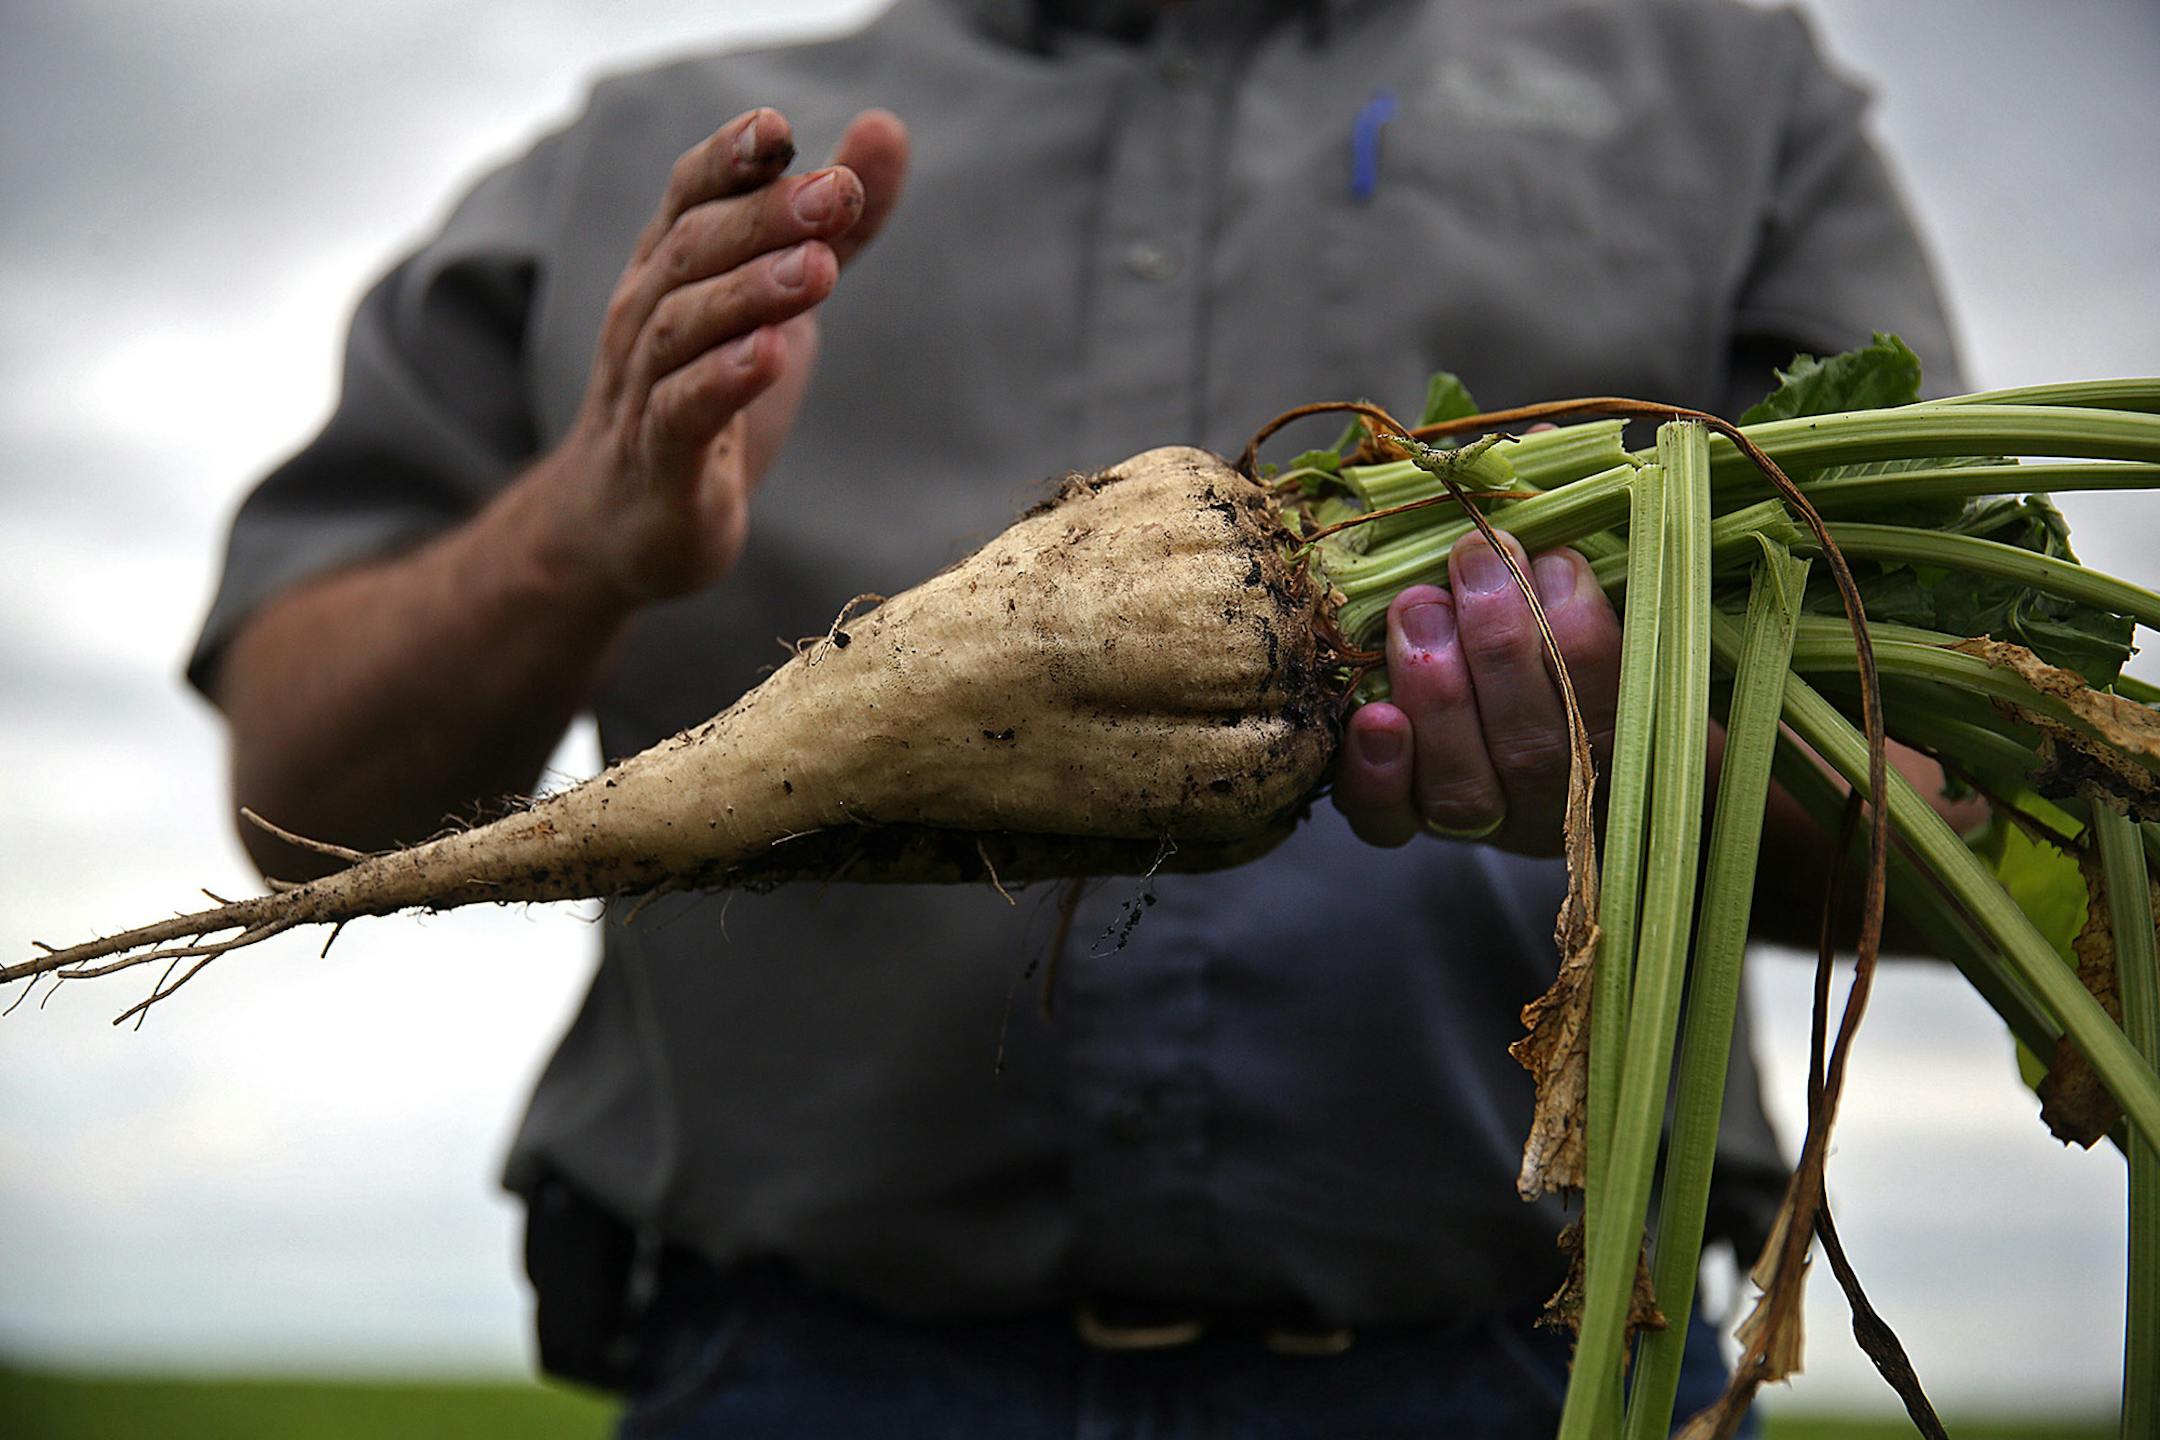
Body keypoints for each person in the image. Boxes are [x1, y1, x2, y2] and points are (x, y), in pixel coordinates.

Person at [187, 1, 1965, 1433]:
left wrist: (1632, 760)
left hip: (1531, 1366)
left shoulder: (1722, 88)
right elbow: (296, 795)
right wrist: (572, 534)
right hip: (794, 1376)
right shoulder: (645, 161)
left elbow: (1963, 794)